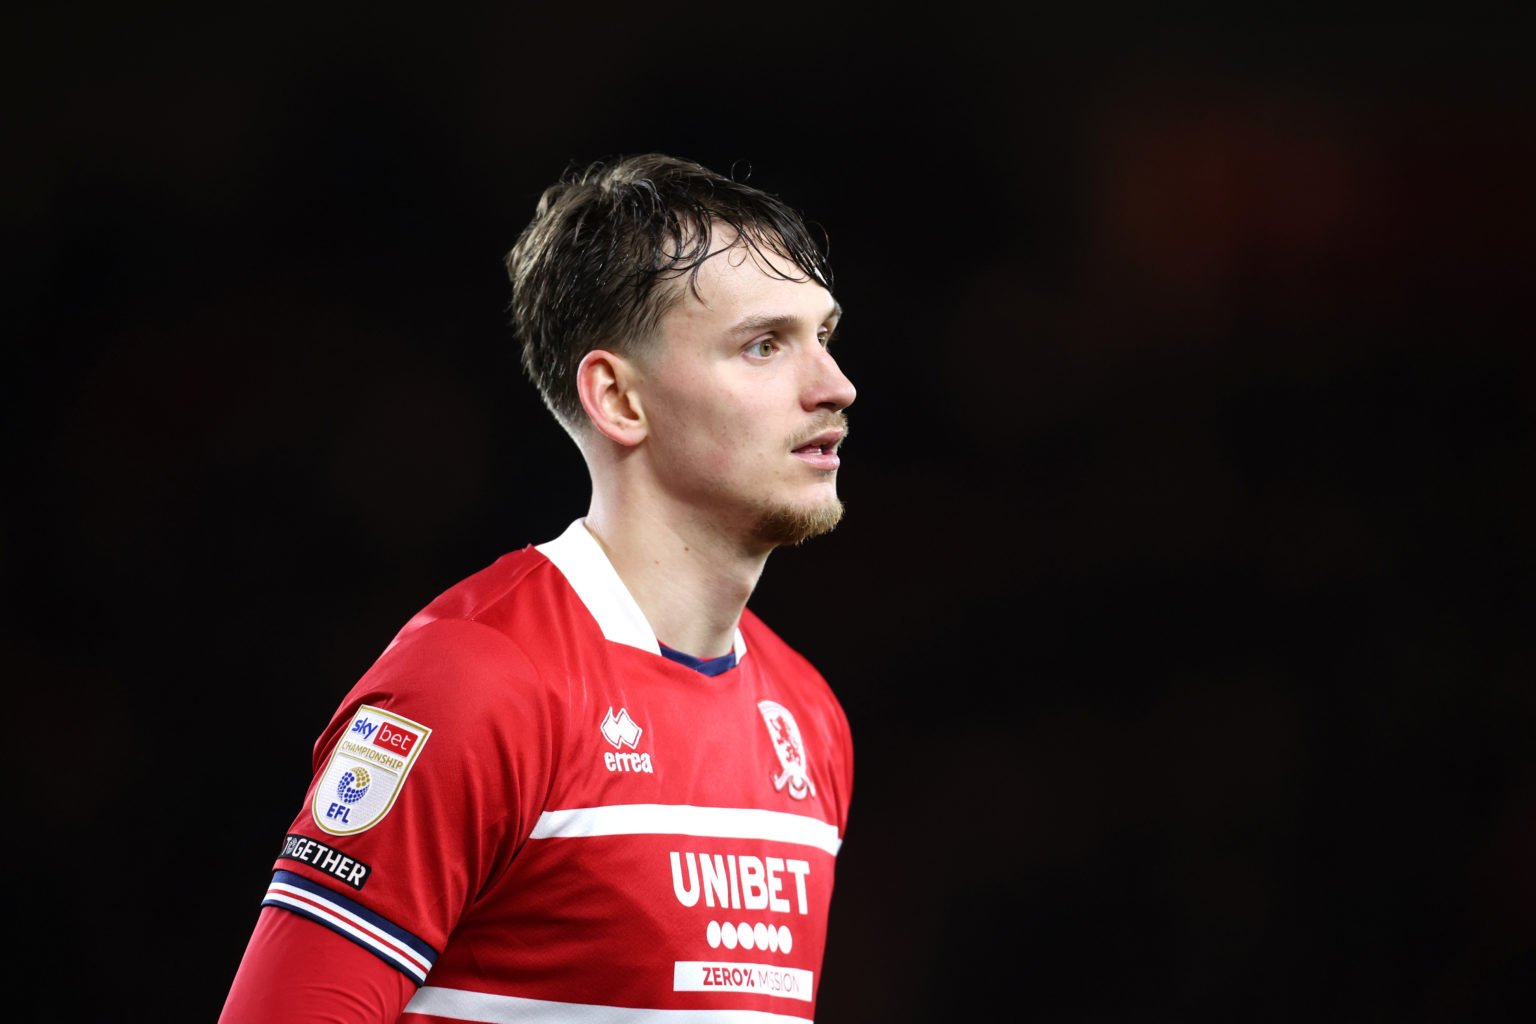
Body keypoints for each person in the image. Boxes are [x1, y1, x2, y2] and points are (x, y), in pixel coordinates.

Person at [219, 153, 858, 1024]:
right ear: (618, 399)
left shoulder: (808, 720)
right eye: (762, 345)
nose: (834, 387)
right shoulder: (476, 681)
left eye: (822, 336)